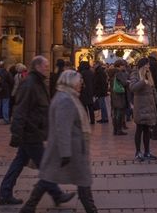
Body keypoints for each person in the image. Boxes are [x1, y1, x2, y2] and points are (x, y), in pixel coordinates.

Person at [0, 56, 74, 206]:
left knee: (19, 163)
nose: (47, 68)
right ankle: (56, 194)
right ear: (37, 66)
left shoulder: (38, 82)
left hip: (34, 130)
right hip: (31, 132)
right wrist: (16, 133)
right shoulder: (30, 84)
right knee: (46, 165)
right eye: (45, 66)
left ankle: (5, 193)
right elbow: (20, 110)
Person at [19, 70, 98, 213]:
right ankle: (91, 210)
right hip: (69, 149)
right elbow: (63, 127)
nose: (81, 84)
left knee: (49, 177)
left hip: (68, 148)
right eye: (79, 81)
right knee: (81, 180)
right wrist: (65, 152)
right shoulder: (65, 99)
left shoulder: (67, 96)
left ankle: (29, 207)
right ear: (71, 82)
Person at [131, 57, 157, 161]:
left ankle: (147, 151)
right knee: (139, 129)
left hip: (149, 105)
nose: (149, 66)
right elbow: (133, 87)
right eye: (147, 64)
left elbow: (153, 89)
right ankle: (138, 152)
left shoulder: (149, 74)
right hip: (141, 106)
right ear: (143, 65)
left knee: (147, 130)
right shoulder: (135, 74)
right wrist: (143, 81)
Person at [111, 59, 129, 136]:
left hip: (114, 94)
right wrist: (128, 81)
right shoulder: (119, 73)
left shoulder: (111, 72)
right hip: (119, 95)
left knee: (115, 112)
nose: (124, 67)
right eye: (123, 65)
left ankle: (115, 129)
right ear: (120, 66)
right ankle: (118, 129)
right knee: (119, 113)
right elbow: (124, 83)